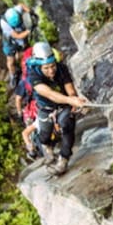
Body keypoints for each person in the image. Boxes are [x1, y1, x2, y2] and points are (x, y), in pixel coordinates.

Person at [27, 42, 87, 176]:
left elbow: (69, 88)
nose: (51, 71)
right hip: (45, 108)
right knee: (44, 133)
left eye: (52, 66)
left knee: (67, 124)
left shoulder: (61, 69)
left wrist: (74, 100)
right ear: (38, 66)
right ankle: (46, 146)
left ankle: (63, 160)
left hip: (63, 106)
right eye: (46, 68)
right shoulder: (33, 75)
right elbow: (49, 93)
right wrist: (70, 100)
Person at [0, 3, 35, 86]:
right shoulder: (4, 23)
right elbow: (17, 36)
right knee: (10, 62)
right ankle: (13, 74)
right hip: (10, 42)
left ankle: (23, 66)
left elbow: (22, 5)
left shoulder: (16, 10)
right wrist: (29, 30)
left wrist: (30, 12)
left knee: (22, 54)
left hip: (21, 38)